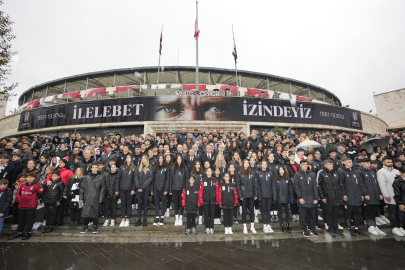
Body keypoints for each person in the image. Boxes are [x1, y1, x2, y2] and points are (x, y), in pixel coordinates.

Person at [8, 172, 44, 240]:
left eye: (31, 177)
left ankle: (28, 232)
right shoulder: (23, 185)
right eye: (28, 177)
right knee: (21, 220)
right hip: (22, 205)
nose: (29, 178)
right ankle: (19, 232)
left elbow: (40, 195)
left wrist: (33, 200)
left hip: (31, 206)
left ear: (34, 178)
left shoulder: (37, 185)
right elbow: (20, 193)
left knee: (29, 220)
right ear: (26, 178)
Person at [317, 160, 346, 237]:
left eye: (332, 164)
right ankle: (331, 229)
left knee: (335, 214)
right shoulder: (321, 173)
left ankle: (336, 229)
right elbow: (319, 186)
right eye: (329, 164)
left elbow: (340, 184)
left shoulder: (335, 173)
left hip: (336, 197)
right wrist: (322, 196)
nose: (331, 165)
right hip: (327, 197)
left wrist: (341, 195)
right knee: (329, 214)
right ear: (325, 165)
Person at [338, 157, 366, 238]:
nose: (351, 163)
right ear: (345, 163)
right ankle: (349, 228)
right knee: (348, 213)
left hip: (357, 195)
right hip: (348, 195)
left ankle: (357, 227)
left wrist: (362, 194)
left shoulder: (356, 172)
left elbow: (360, 184)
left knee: (356, 212)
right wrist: (344, 194)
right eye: (349, 162)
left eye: (351, 162)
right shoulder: (341, 171)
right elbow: (341, 184)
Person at [356, 158, 384, 236]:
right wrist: (365, 194)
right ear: (363, 163)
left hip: (374, 195)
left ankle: (374, 226)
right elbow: (361, 184)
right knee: (367, 211)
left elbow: (376, 183)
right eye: (367, 162)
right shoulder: (360, 171)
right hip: (367, 196)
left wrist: (379, 193)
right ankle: (370, 226)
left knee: (373, 211)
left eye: (369, 162)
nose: (369, 164)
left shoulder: (372, 171)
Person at [377, 156, 403, 236]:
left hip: (399, 195)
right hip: (390, 195)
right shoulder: (381, 171)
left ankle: (400, 226)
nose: (390, 163)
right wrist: (386, 195)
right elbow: (382, 184)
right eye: (388, 162)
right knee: (392, 212)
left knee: (399, 212)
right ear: (383, 163)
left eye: (391, 162)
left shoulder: (396, 171)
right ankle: (394, 228)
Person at [293, 160, 319, 238]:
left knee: (313, 215)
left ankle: (312, 229)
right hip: (302, 199)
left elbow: (315, 187)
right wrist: (300, 197)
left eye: (306, 164)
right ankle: (304, 229)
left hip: (312, 199)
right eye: (303, 164)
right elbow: (296, 187)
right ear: (300, 165)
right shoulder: (297, 175)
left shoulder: (312, 174)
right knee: (303, 216)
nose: (305, 165)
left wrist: (316, 198)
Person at [79, 164, 106, 234]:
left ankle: (95, 227)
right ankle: (85, 227)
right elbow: (82, 188)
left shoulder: (101, 177)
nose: (94, 169)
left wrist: (101, 197)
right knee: (86, 213)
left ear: (98, 168)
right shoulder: (86, 177)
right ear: (91, 168)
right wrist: (81, 198)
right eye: (93, 167)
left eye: (96, 167)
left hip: (96, 197)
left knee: (95, 213)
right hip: (87, 197)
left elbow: (103, 188)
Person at [236, 159, 257, 234]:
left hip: (251, 195)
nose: (247, 164)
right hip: (243, 196)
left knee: (252, 211)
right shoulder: (239, 173)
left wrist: (256, 194)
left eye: (248, 163)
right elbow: (238, 185)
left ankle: (252, 227)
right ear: (243, 164)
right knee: (244, 211)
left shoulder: (252, 173)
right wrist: (240, 195)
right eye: (245, 163)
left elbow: (255, 184)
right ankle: (244, 227)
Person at [255, 160, 276, 233]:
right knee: (264, 210)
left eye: (265, 164)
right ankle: (264, 225)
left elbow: (273, 184)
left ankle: (268, 225)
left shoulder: (270, 173)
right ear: (260, 165)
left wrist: (274, 195)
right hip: (262, 195)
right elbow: (257, 185)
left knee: (268, 210)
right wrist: (258, 196)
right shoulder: (258, 173)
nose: (264, 165)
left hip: (269, 195)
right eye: (263, 164)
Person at [115, 155, 136, 227]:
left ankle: (127, 219)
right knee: (123, 204)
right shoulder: (121, 168)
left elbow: (134, 180)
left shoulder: (134, 168)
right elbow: (118, 179)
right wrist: (117, 189)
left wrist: (133, 189)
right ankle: (123, 219)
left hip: (130, 189)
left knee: (128, 204)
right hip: (122, 189)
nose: (128, 159)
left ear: (131, 159)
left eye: (129, 158)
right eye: (127, 158)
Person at [134, 155, 153, 227]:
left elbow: (150, 178)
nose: (143, 160)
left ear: (147, 159)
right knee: (139, 204)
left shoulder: (150, 167)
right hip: (139, 189)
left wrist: (143, 187)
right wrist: (138, 187)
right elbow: (135, 177)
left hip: (146, 189)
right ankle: (139, 219)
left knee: (145, 204)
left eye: (144, 158)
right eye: (142, 158)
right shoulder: (138, 167)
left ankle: (145, 219)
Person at [151, 155, 170, 226]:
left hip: (163, 189)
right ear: (158, 159)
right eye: (159, 158)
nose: (161, 159)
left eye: (162, 158)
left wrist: (166, 189)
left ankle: (162, 218)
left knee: (164, 203)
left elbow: (167, 179)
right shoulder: (155, 168)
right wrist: (152, 189)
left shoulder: (166, 168)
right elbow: (152, 179)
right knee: (156, 203)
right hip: (156, 188)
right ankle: (157, 218)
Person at [171, 154, 189, 226]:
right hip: (175, 188)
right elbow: (171, 179)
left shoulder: (185, 168)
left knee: (181, 204)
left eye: (180, 158)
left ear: (182, 160)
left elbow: (187, 178)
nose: (179, 160)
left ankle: (180, 218)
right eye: (177, 158)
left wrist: (185, 188)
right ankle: (177, 218)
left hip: (182, 189)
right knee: (176, 204)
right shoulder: (173, 168)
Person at [275, 166, 294, 233]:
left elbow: (291, 189)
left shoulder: (288, 179)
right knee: (280, 212)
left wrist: (291, 198)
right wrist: (275, 198)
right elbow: (275, 190)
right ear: (278, 171)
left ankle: (288, 225)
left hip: (287, 198)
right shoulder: (276, 179)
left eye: (282, 169)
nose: (281, 171)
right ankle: (282, 225)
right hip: (279, 199)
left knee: (287, 212)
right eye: (280, 169)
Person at [199, 167, 217, 235]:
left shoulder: (215, 180)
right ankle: (207, 227)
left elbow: (217, 190)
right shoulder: (203, 180)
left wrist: (217, 199)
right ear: (206, 172)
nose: (209, 172)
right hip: (205, 200)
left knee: (212, 214)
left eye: (210, 171)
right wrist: (201, 200)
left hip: (213, 200)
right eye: (208, 171)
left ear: (212, 172)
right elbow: (201, 191)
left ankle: (211, 227)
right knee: (206, 214)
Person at [393, 166, 405, 235]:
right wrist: (400, 203)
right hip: (402, 201)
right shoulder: (397, 181)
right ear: (401, 173)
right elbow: (397, 193)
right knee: (402, 216)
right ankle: (401, 227)